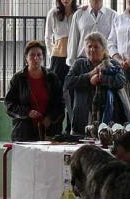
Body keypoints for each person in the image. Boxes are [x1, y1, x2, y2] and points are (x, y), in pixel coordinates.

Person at [64, 32, 126, 135]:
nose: (92, 50)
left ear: (103, 49)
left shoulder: (112, 64)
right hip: (82, 119)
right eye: (89, 47)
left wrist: (101, 79)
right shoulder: (79, 64)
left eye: (96, 47)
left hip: (109, 120)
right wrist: (90, 76)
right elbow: (68, 82)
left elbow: (121, 81)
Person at [4, 40, 64, 141]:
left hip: (49, 132)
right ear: (26, 57)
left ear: (43, 57)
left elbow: (61, 103)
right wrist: (27, 112)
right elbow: (9, 105)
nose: (36, 58)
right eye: (32, 55)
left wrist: (50, 118)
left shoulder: (52, 78)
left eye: (39, 55)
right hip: (23, 133)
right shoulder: (18, 79)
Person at [45, 0, 77, 134]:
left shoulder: (80, 11)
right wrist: (52, 53)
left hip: (74, 59)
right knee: (57, 93)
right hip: (58, 58)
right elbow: (48, 37)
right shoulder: (53, 13)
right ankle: (55, 128)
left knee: (73, 93)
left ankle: (72, 128)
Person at [66, 0, 117, 66]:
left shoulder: (113, 15)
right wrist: (71, 62)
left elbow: (115, 42)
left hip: (105, 62)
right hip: (83, 61)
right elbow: (73, 39)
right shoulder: (79, 14)